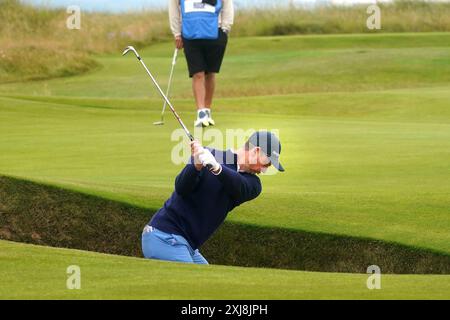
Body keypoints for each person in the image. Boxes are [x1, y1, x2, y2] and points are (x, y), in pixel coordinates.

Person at [142, 131, 285, 264]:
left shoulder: (253, 184)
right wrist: (196, 165)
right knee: (197, 287)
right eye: (266, 164)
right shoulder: (208, 154)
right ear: (256, 151)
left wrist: (217, 167)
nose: (264, 170)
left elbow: (237, 185)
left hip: (187, 246)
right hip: (164, 237)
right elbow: (181, 188)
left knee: (211, 284)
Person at [169, 0, 234, 127]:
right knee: (197, 73)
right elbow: (173, 9)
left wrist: (225, 29)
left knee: (210, 73)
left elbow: (227, 5)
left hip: (216, 31)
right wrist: (176, 33)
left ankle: (207, 111)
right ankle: (201, 114)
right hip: (190, 34)